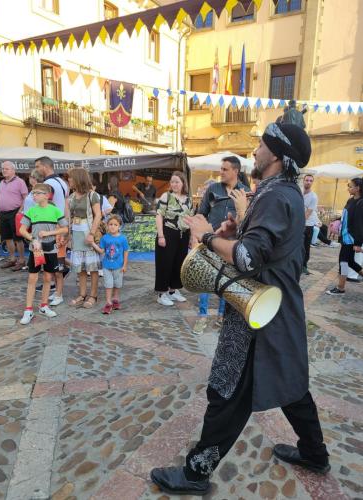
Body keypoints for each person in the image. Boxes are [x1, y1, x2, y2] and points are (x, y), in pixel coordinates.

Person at [151, 123, 330, 496]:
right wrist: (237, 230)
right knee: (292, 384)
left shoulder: (276, 196)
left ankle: (196, 473)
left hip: (258, 314)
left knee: (228, 393)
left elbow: (248, 259)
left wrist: (207, 236)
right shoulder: (280, 192)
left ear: (277, 155)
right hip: (275, 308)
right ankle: (315, 453)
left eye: (262, 145)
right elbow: (259, 246)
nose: (255, 151)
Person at [193, 157, 250, 335]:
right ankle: (202, 317)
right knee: (205, 278)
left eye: (225, 169)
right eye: (221, 168)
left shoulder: (245, 192)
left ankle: (221, 316)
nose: (221, 172)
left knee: (227, 279)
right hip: (210, 241)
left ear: (235, 171)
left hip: (231, 245)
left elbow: (247, 221)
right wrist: (196, 236)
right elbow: (201, 214)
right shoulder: (213, 189)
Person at [19, 183, 68, 325]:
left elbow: (65, 228)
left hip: (51, 249)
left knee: (48, 278)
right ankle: (28, 310)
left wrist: (49, 233)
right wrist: (33, 239)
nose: (33, 195)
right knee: (32, 279)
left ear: (47, 195)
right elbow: (22, 229)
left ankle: (44, 306)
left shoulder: (55, 211)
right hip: (36, 250)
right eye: (33, 193)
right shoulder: (31, 211)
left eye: (37, 193)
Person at [155, 171, 193, 306]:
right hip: (168, 233)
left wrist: (191, 238)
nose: (174, 184)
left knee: (179, 263)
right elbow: (159, 215)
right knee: (165, 263)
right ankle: (161, 293)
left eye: (177, 181)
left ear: (183, 183)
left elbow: (190, 219)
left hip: (183, 235)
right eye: (172, 182)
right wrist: (161, 235)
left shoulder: (188, 199)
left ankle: (173, 290)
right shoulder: (166, 196)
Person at [35, 156, 69, 305]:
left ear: (44, 166)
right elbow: (66, 205)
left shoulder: (48, 183)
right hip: (60, 225)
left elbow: (45, 206)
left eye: (37, 167)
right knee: (54, 262)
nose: (37, 170)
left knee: (55, 263)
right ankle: (56, 291)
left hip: (52, 227)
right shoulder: (63, 182)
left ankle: (58, 294)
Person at [68, 168, 102, 308]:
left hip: (88, 233)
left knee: (92, 268)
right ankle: (82, 294)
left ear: (78, 178)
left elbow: (98, 215)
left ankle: (93, 295)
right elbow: (68, 217)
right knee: (81, 268)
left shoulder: (92, 195)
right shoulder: (71, 197)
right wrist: (66, 236)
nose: (68, 180)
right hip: (76, 234)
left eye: (70, 178)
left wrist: (92, 234)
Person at [327, 177, 363, 295]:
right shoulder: (350, 200)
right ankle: (341, 287)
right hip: (345, 235)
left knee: (343, 261)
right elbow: (346, 216)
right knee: (351, 262)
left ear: (357, 188)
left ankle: (340, 287)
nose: (348, 188)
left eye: (350, 186)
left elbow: (360, 224)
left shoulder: (361, 203)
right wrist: (337, 220)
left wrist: (358, 243)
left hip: (351, 238)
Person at [91, 214, 129, 314]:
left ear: (119, 226)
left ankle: (115, 299)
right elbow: (101, 251)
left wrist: (125, 265)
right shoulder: (105, 238)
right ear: (107, 225)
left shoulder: (123, 239)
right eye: (110, 224)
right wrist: (92, 243)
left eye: (115, 225)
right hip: (107, 266)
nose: (112, 226)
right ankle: (108, 302)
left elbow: (126, 251)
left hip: (119, 267)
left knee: (117, 284)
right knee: (108, 284)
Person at [0, 161, 28, 271]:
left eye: (6, 169)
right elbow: (0, 198)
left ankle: (21, 260)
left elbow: (26, 197)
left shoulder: (20, 182)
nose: (4, 170)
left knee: (18, 238)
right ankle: (12, 259)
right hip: (3, 213)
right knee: (7, 237)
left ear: (13, 170)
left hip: (15, 212)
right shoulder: (1, 182)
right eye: (3, 169)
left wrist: (19, 212)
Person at [303, 174, 318, 275]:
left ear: (312, 182)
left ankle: (304, 266)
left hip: (307, 225)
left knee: (305, 246)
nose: (308, 182)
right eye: (307, 180)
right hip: (298, 223)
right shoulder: (299, 192)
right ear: (303, 181)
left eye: (310, 181)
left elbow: (308, 213)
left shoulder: (313, 196)